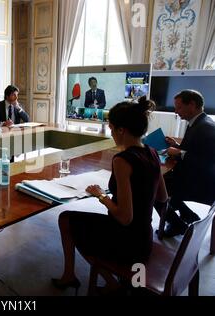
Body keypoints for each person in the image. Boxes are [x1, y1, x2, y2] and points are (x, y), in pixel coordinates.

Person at [52, 97, 168, 293]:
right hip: (144, 238)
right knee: (77, 221)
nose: (111, 133)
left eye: (112, 128)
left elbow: (124, 217)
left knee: (66, 219)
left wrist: (100, 195)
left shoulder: (122, 160)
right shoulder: (153, 153)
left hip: (126, 242)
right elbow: (163, 197)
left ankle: (95, 280)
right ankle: (108, 281)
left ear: (121, 130)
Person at [162, 90, 215, 237]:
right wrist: (177, 145)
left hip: (200, 182)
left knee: (156, 187)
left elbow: (207, 161)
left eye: (179, 107)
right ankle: (188, 216)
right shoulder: (199, 122)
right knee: (160, 182)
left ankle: (177, 224)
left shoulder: (206, 127)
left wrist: (179, 152)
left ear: (192, 105)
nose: (176, 111)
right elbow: (197, 149)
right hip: (193, 175)